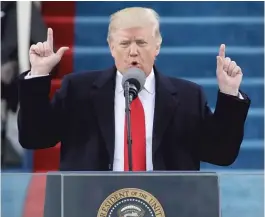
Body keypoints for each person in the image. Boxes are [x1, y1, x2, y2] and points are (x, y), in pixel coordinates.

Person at [17, 7, 251, 171]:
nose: (133, 51)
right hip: (92, 204)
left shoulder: (189, 96)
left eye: (141, 43)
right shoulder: (78, 90)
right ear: (111, 47)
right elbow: (34, 137)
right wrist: (38, 75)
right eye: (124, 43)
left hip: (167, 206)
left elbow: (221, 154)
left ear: (157, 46)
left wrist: (229, 94)